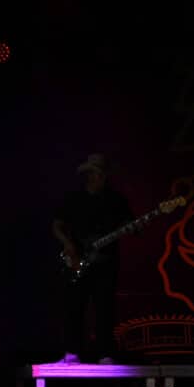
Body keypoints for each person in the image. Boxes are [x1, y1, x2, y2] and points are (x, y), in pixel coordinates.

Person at [51, 153, 136, 365]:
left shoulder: (116, 200)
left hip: (106, 262)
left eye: (101, 173)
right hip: (78, 260)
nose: (99, 177)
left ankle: (105, 353)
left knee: (105, 308)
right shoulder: (74, 199)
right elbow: (56, 225)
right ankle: (72, 352)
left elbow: (130, 225)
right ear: (88, 175)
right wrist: (68, 244)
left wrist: (132, 227)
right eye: (95, 173)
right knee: (74, 306)